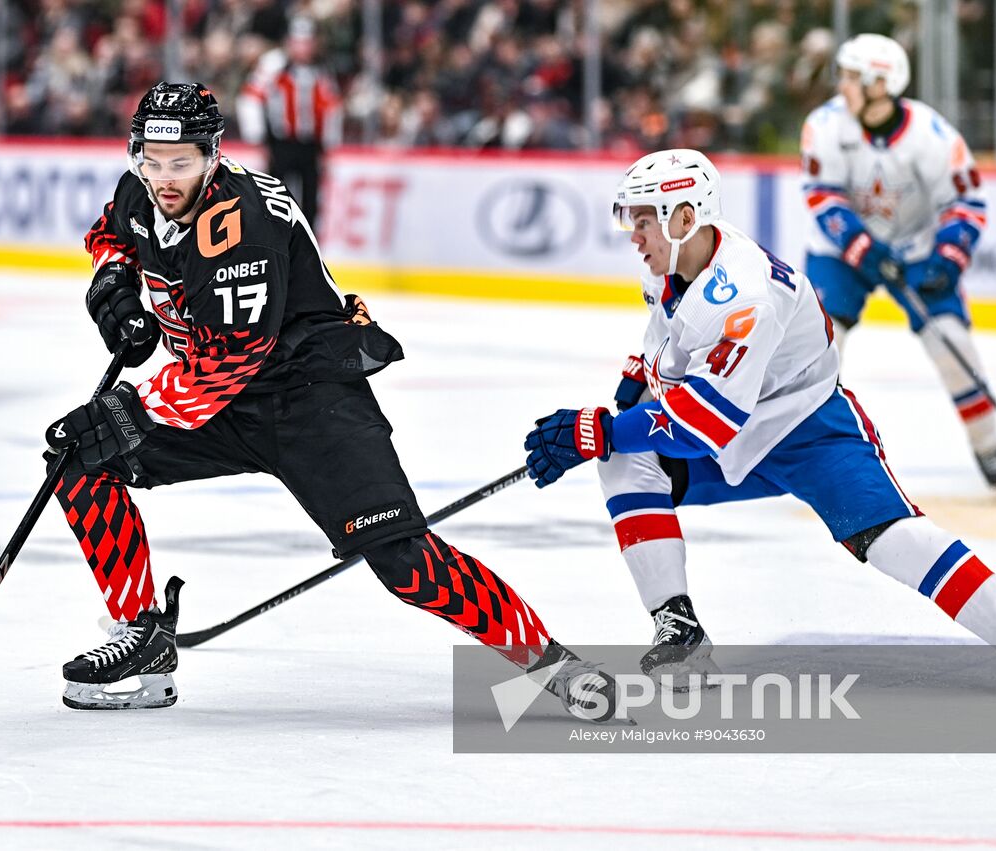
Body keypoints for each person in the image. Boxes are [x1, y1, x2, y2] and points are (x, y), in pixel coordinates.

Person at [44, 81, 593, 712]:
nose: (165, 179)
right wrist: (112, 281)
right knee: (78, 459)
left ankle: (547, 660)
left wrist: (130, 410)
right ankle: (143, 635)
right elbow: (111, 233)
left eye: (182, 164)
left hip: (309, 397)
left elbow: (230, 361)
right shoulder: (140, 189)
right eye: (153, 161)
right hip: (221, 398)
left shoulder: (241, 227)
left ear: (213, 155)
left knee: (405, 563)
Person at [522, 149, 996, 702]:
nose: (633, 235)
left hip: (807, 431)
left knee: (892, 541)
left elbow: (700, 425)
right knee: (623, 459)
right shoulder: (674, 266)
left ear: (684, 218)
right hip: (732, 426)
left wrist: (600, 428)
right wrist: (626, 397)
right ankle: (681, 631)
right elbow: (668, 350)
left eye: (643, 220)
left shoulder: (745, 296)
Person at [800, 34, 996, 492]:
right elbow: (822, 195)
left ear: (883, 83)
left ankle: (987, 445)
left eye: (854, 77)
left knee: (952, 344)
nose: (843, 85)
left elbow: (966, 202)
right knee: (818, 347)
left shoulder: (931, 135)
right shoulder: (826, 125)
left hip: (916, 249)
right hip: (842, 253)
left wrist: (947, 259)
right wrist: (866, 252)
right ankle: (801, 449)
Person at [236, 17, 340, 228]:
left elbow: (331, 106)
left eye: (307, 42)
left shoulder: (322, 68)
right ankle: (274, 240)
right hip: (281, 141)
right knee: (276, 194)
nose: (303, 48)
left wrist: (329, 143)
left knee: (310, 198)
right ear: (289, 42)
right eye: (298, 42)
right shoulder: (274, 64)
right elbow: (250, 97)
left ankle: (308, 248)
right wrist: (257, 136)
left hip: (310, 144)